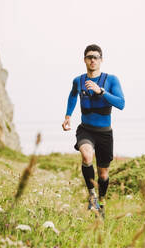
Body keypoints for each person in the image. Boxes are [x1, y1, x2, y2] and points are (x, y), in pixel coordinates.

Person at [62, 44, 125, 218]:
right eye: (89, 57)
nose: (92, 60)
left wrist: (101, 91)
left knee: (103, 174)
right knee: (87, 156)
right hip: (86, 130)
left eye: (96, 57)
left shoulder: (111, 80)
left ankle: (102, 203)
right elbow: (73, 95)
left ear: (101, 60)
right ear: (84, 60)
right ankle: (92, 195)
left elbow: (121, 104)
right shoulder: (78, 80)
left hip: (105, 133)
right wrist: (68, 115)